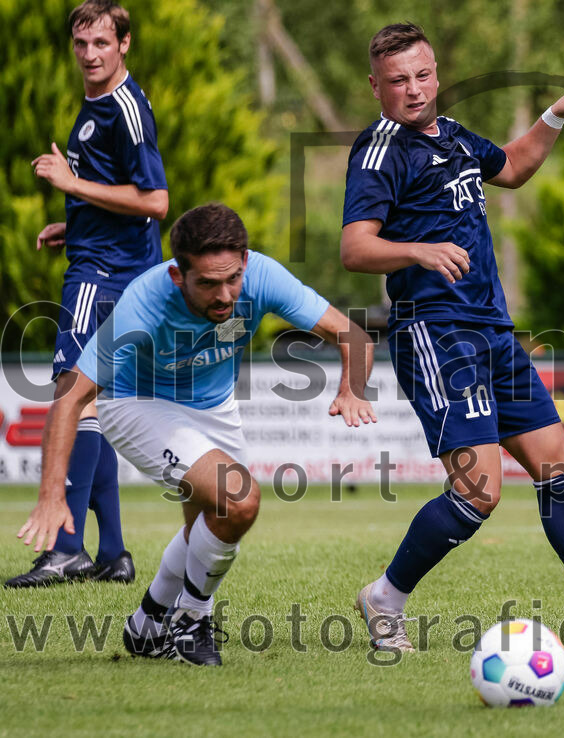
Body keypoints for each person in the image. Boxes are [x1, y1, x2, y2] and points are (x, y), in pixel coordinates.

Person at [341, 23, 564, 652]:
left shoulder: (456, 137)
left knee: (559, 467)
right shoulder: (380, 149)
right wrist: (420, 250)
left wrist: (555, 114)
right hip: (436, 333)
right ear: (375, 86)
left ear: (437, 72)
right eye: (399, 80)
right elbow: (355, 248)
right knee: (477, 490)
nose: (414, 90)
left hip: (492, 331)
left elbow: (512, 167)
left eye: (423, 75)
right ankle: (385, 599)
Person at [16, 203, 377, 666]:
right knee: (239, 498)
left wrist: (352, 388)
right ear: (177, 276)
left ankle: (147, 624)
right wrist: (51, 496)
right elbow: (70, 400)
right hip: (138, 404)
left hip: (214, 405)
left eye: (232, 279)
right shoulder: (143, 302)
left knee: (212, 523)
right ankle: (191, 622)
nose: (224, 295)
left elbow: (353, 335)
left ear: (245, 262)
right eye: (207, 283)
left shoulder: (264, 277)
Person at [6, 0, 169, 588]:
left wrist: (70, 184)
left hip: (105, 275)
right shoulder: (101, 101)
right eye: (82, 44)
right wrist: (73, 223)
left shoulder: (125, 109)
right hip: (103, 258)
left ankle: (67, 546)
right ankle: (114, 553)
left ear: (124, 44)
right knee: (92, 402)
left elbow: (155, 202)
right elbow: (121, 194)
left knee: (72, 396)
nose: (90, 55)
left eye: (102, 43)